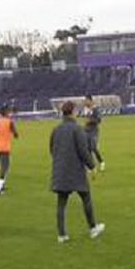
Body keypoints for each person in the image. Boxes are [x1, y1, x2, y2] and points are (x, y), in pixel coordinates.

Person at [50, 101, 105, 243]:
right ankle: (93, 228)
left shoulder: (56, 130)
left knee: (61, 203)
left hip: (60, 170)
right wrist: (92, 167)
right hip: (76, 171)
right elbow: (83, 151)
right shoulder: (77, 129)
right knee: (86, 198)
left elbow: (52, 150)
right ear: (73, 112)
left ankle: (62, 235)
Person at [0, 106, 19, 195]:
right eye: (8, 112)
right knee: (5, 168)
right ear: (6, 113)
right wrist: (14, 133)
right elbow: (16, 134)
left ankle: (2, 186)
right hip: (5, 148)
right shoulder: (9, 122)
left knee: (5, 166)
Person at [80, 95, 106, 171]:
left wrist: (90, 121)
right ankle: (91, 166)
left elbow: (99, 120)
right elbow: (85, 119)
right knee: (87, 149)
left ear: (90, 101)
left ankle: (101, 162)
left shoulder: (95, 109)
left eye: (86, 100)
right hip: (86, 131)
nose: (85, 102)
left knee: (94, 147)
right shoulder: (85, 109)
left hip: (94, 131)